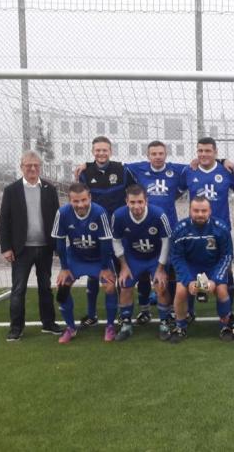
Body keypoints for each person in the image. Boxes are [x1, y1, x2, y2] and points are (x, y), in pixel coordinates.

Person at [0, 150, 62, 341]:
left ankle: (48, 323)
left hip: (44, 248)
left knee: (45, 287)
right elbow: (4, 221)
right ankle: (16, 327)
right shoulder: (11, 190)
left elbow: (57, 219)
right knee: (18, 289)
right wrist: (6, 247)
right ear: (22, 167)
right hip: (21, 250)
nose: (32, 168)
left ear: (40, 167)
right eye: (28, 165)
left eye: (36, 165)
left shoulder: (50, 189)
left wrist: (57, 245)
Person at [77, 136, 137, 329]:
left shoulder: (122, 170)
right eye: (98, 150)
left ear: (110, 151)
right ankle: (91, 313)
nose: (101, 153)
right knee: (95, 272)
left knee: (123, 269)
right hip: (95, 230)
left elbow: (135, 192)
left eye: (105, 150)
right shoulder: (85, 173)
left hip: (120, 230)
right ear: (93, 151)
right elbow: (81, 199)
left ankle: (123, 312)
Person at [126, 141, 186, 324]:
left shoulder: (177, 170)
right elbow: (114, 166)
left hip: (169, 228)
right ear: (148, 155)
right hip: (144, 229)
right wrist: (87, 165)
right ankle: (144, 309)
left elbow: (198, 164)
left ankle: (170, 311)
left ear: (166, 154)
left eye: (161, 153)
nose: (158, 157)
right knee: (144, 270)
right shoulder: (137, 169)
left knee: (168, 269)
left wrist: (222, 160)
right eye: (154, 154)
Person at [180, 137, 234, 322]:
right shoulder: (189, 171)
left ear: (215, 152)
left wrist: (223, 161)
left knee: (225, 272)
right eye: (200, 151)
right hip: (194, 231)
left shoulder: (226, 171)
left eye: (207, 151)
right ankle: (188, 312)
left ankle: (228, 314)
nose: (203, 154)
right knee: (190, 269)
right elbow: (177, 190)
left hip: (220, 231)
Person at [50, 183, 117, 343]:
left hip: (98, 259)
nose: (80, 204)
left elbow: (106, 244)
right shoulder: (62, 213)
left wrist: (105, 268)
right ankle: (71, 328)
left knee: (109, 285)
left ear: (90, 198)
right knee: (63, 286)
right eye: (76, 201)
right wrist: (64, 268)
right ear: (70, 200)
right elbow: (59, 242)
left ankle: (110, 326)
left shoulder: (100, 213)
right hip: (76, 258)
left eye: (83, 200)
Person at [168, 196, 234, 343]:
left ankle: (225, 325)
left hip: (213, 267)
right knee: (180, 291)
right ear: (190, 211)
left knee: (222, 290)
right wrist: (188, 281)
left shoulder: (221, 228)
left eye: (203, 211)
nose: (200, 214)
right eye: (196, 210)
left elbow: (227, 256)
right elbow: (177, 258)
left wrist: (215, 280)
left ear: (210, 211)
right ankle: (180, 326)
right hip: (190, 267)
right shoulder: (180, 230)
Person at [110, 184, 173, 341]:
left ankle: (164, 322)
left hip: (155, 257)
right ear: (127, 201)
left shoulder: (158, 215)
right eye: (132, 202)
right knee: (124, 285)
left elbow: (166, 242)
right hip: (133, 258)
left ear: (146, 201)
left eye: (140, 202)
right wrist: (123, 266)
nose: (136, 206)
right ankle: (126, 324)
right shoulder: (118, 216)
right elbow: (116, 241)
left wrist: (160, 268)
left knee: (161, 285)